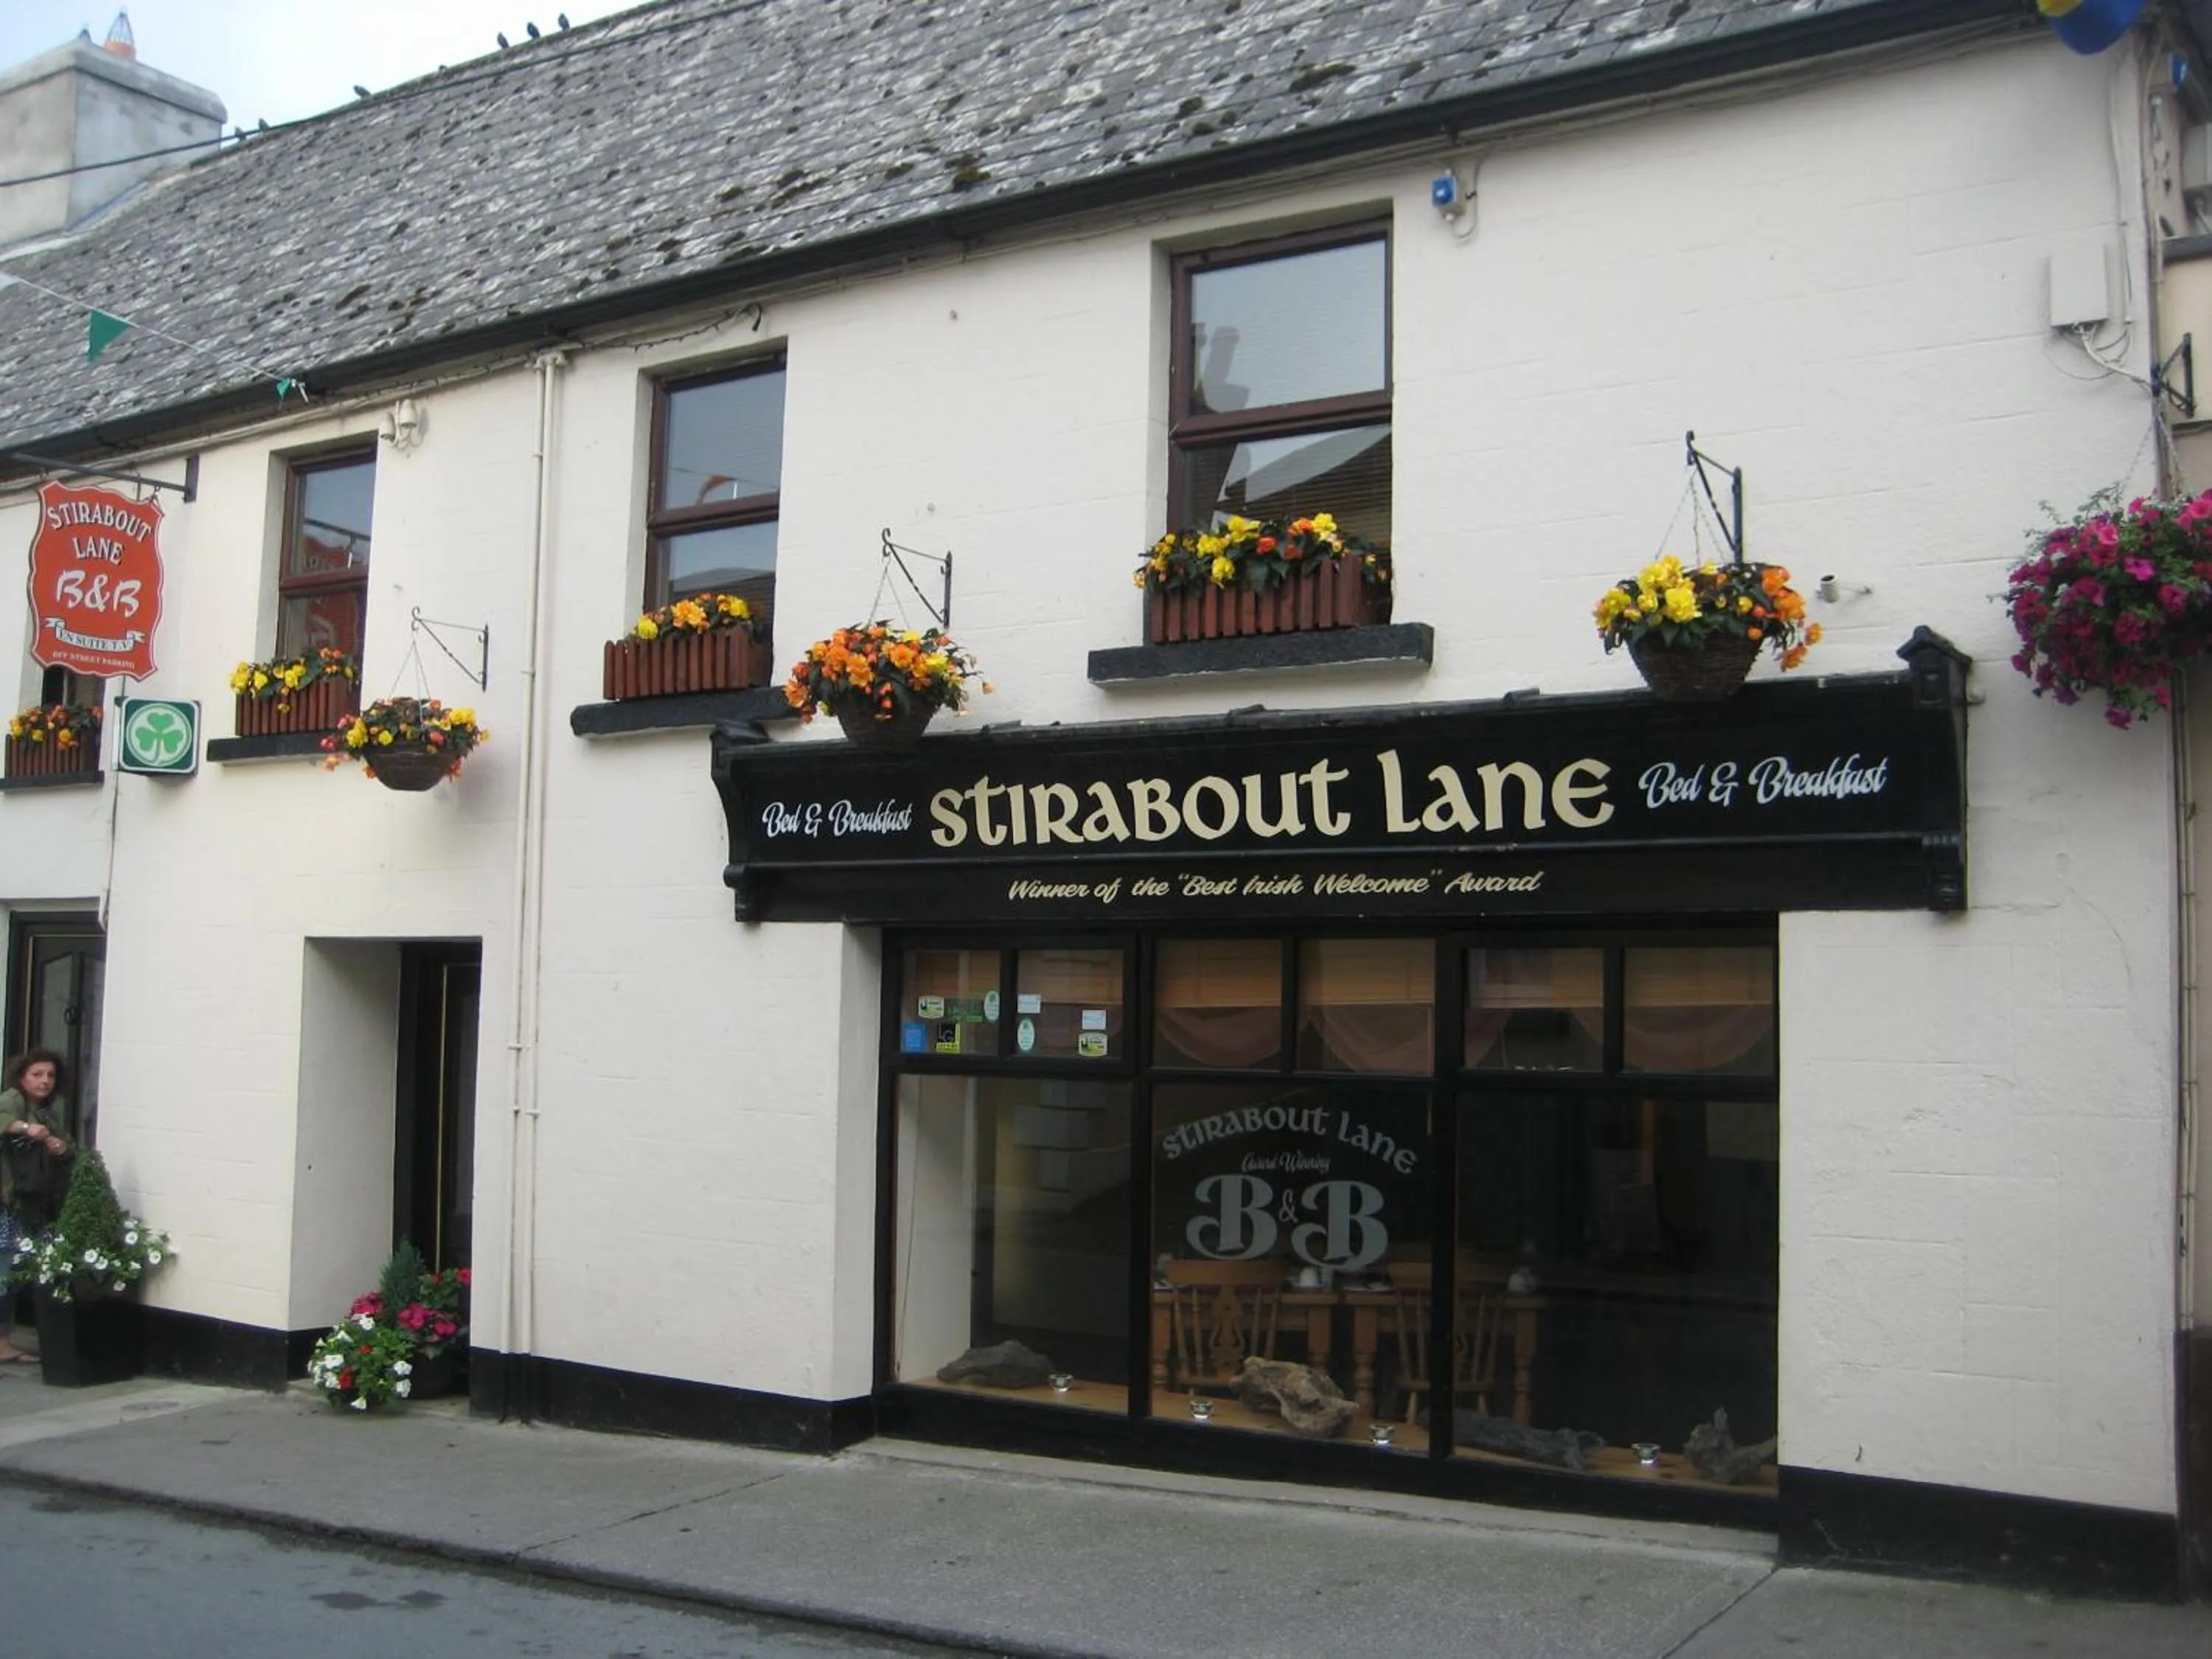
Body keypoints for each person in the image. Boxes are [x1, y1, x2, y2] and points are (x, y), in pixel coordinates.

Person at [0, 1048, 74, 1364]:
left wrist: (61, 1146)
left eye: (51, 1075)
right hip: (9, 1203)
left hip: (33, 1205)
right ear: (22, 1077)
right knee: (6, 1270)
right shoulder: (13, 1100)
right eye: (37, 1074)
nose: (45, 1081)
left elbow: (70, 1146)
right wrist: (24, 1128)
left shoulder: (48, 1114)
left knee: (19, 1270)